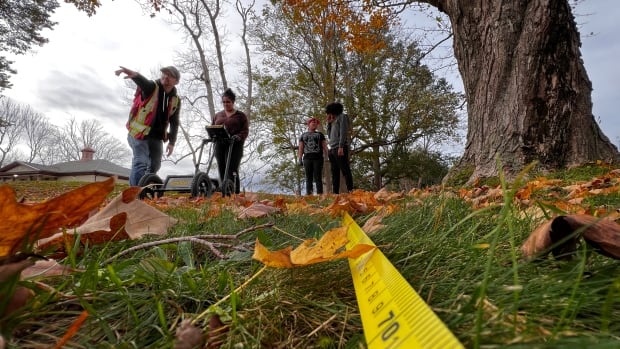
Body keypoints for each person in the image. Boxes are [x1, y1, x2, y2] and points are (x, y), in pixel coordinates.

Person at [115, 65, 181, 186]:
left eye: (170, 75)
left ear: (176, 81)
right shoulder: (152, 88)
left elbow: (175, 121)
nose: (166, 76)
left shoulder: (176, 100)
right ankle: (134, 194)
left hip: (156, 137)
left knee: (155, 165)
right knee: (141, 161)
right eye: (164, 73)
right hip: (138, 133)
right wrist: (135, 75)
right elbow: (144, 83)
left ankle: (144, 189)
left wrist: (172, 142)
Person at [212, 88, 249, 194]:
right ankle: (223, 189)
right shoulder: (218, 115)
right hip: (220, 144)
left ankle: (235, 191)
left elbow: (245, 131)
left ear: (233, 102)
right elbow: (213, 126)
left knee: (232, 168)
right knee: (221, 166)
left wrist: (238, 136)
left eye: (228, 102)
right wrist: (212, 135)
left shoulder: (241, 116)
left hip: (235, 144)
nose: (225, 104)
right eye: (224, 102)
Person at [326, 101, 353, 193]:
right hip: (332, 148)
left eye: (330, 112)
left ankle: (351, 191)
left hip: (340, 147)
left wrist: (341, 146)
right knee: (334, 172)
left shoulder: (342, 117)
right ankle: (335, 193)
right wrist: (329, 123)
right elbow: (329, 136)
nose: (329, 114)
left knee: (345, 169)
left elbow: (343, 132)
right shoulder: (333, 121)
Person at [298, 117, 328, 195]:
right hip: (307, 159)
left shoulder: (320, 135)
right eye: (312, 123)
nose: (314, 124)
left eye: (316, 123)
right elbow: (301, 147)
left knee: (318, 177)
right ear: (308, 124)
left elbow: (324, 146)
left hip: (318, 159)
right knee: (308, 178)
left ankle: (320, 195)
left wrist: (328, 155)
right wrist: (300, 159)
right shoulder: (303, 135)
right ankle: (309, 195)